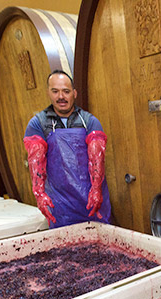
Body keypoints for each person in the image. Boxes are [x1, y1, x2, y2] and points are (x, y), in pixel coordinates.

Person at [23, 70, 111, 229]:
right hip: (60, 205)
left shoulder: (89, 121)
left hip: (92, 202)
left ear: (74, 93)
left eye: (66, 91)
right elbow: (36, 162)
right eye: (55, 91)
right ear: (48, 93)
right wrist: (40, 195)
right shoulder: (38, 124)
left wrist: (96, 190)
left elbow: (97, 158)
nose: (61, 97)